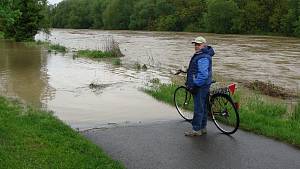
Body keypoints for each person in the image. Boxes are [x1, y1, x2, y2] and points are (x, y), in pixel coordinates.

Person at [184, 36, 214, 136]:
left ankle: (196, 130)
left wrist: (196, 84)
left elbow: (203, 74)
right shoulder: (202, 54)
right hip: (205, 85)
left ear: (204, 45)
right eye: (195, 44)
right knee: (203, 107)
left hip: (201, 86)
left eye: (198, 44)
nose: (196, 46)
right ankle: (203, 128)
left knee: (198, 108)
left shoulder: (203, 57)